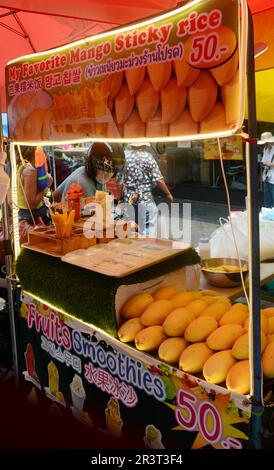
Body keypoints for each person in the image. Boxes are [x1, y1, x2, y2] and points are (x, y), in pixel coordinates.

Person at [119, 142, 173, 236]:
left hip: (129, 198)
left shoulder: (125, 158)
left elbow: (120, 181)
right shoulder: (147, 157)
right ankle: (147, 248)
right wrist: (168, 194)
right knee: (149, 227)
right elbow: (158, 179)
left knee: (131, 228)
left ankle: (133, 248)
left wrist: (120, 198)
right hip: (145, 199)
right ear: (143, 145)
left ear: (132, 145)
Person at [52, 142, 123, 202]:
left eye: (111, 169)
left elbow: (56, 195)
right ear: (92, 164)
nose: (106, 173)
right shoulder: (85, 184)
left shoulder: (81, 170)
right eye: (101, 167)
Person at [16, 146, 53, 223]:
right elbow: (31, 205)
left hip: (22, 213)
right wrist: (46, 185)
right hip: (32, 216)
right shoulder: (30, 171)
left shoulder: (20, 166)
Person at [259, 131, 274, 208]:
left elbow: (266, 163)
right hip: (267, 177)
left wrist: (269, 164)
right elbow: (263, 161)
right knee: (267, 200)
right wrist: (266, 164)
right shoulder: (265, 149)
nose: (265, 144)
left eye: (266, 143)